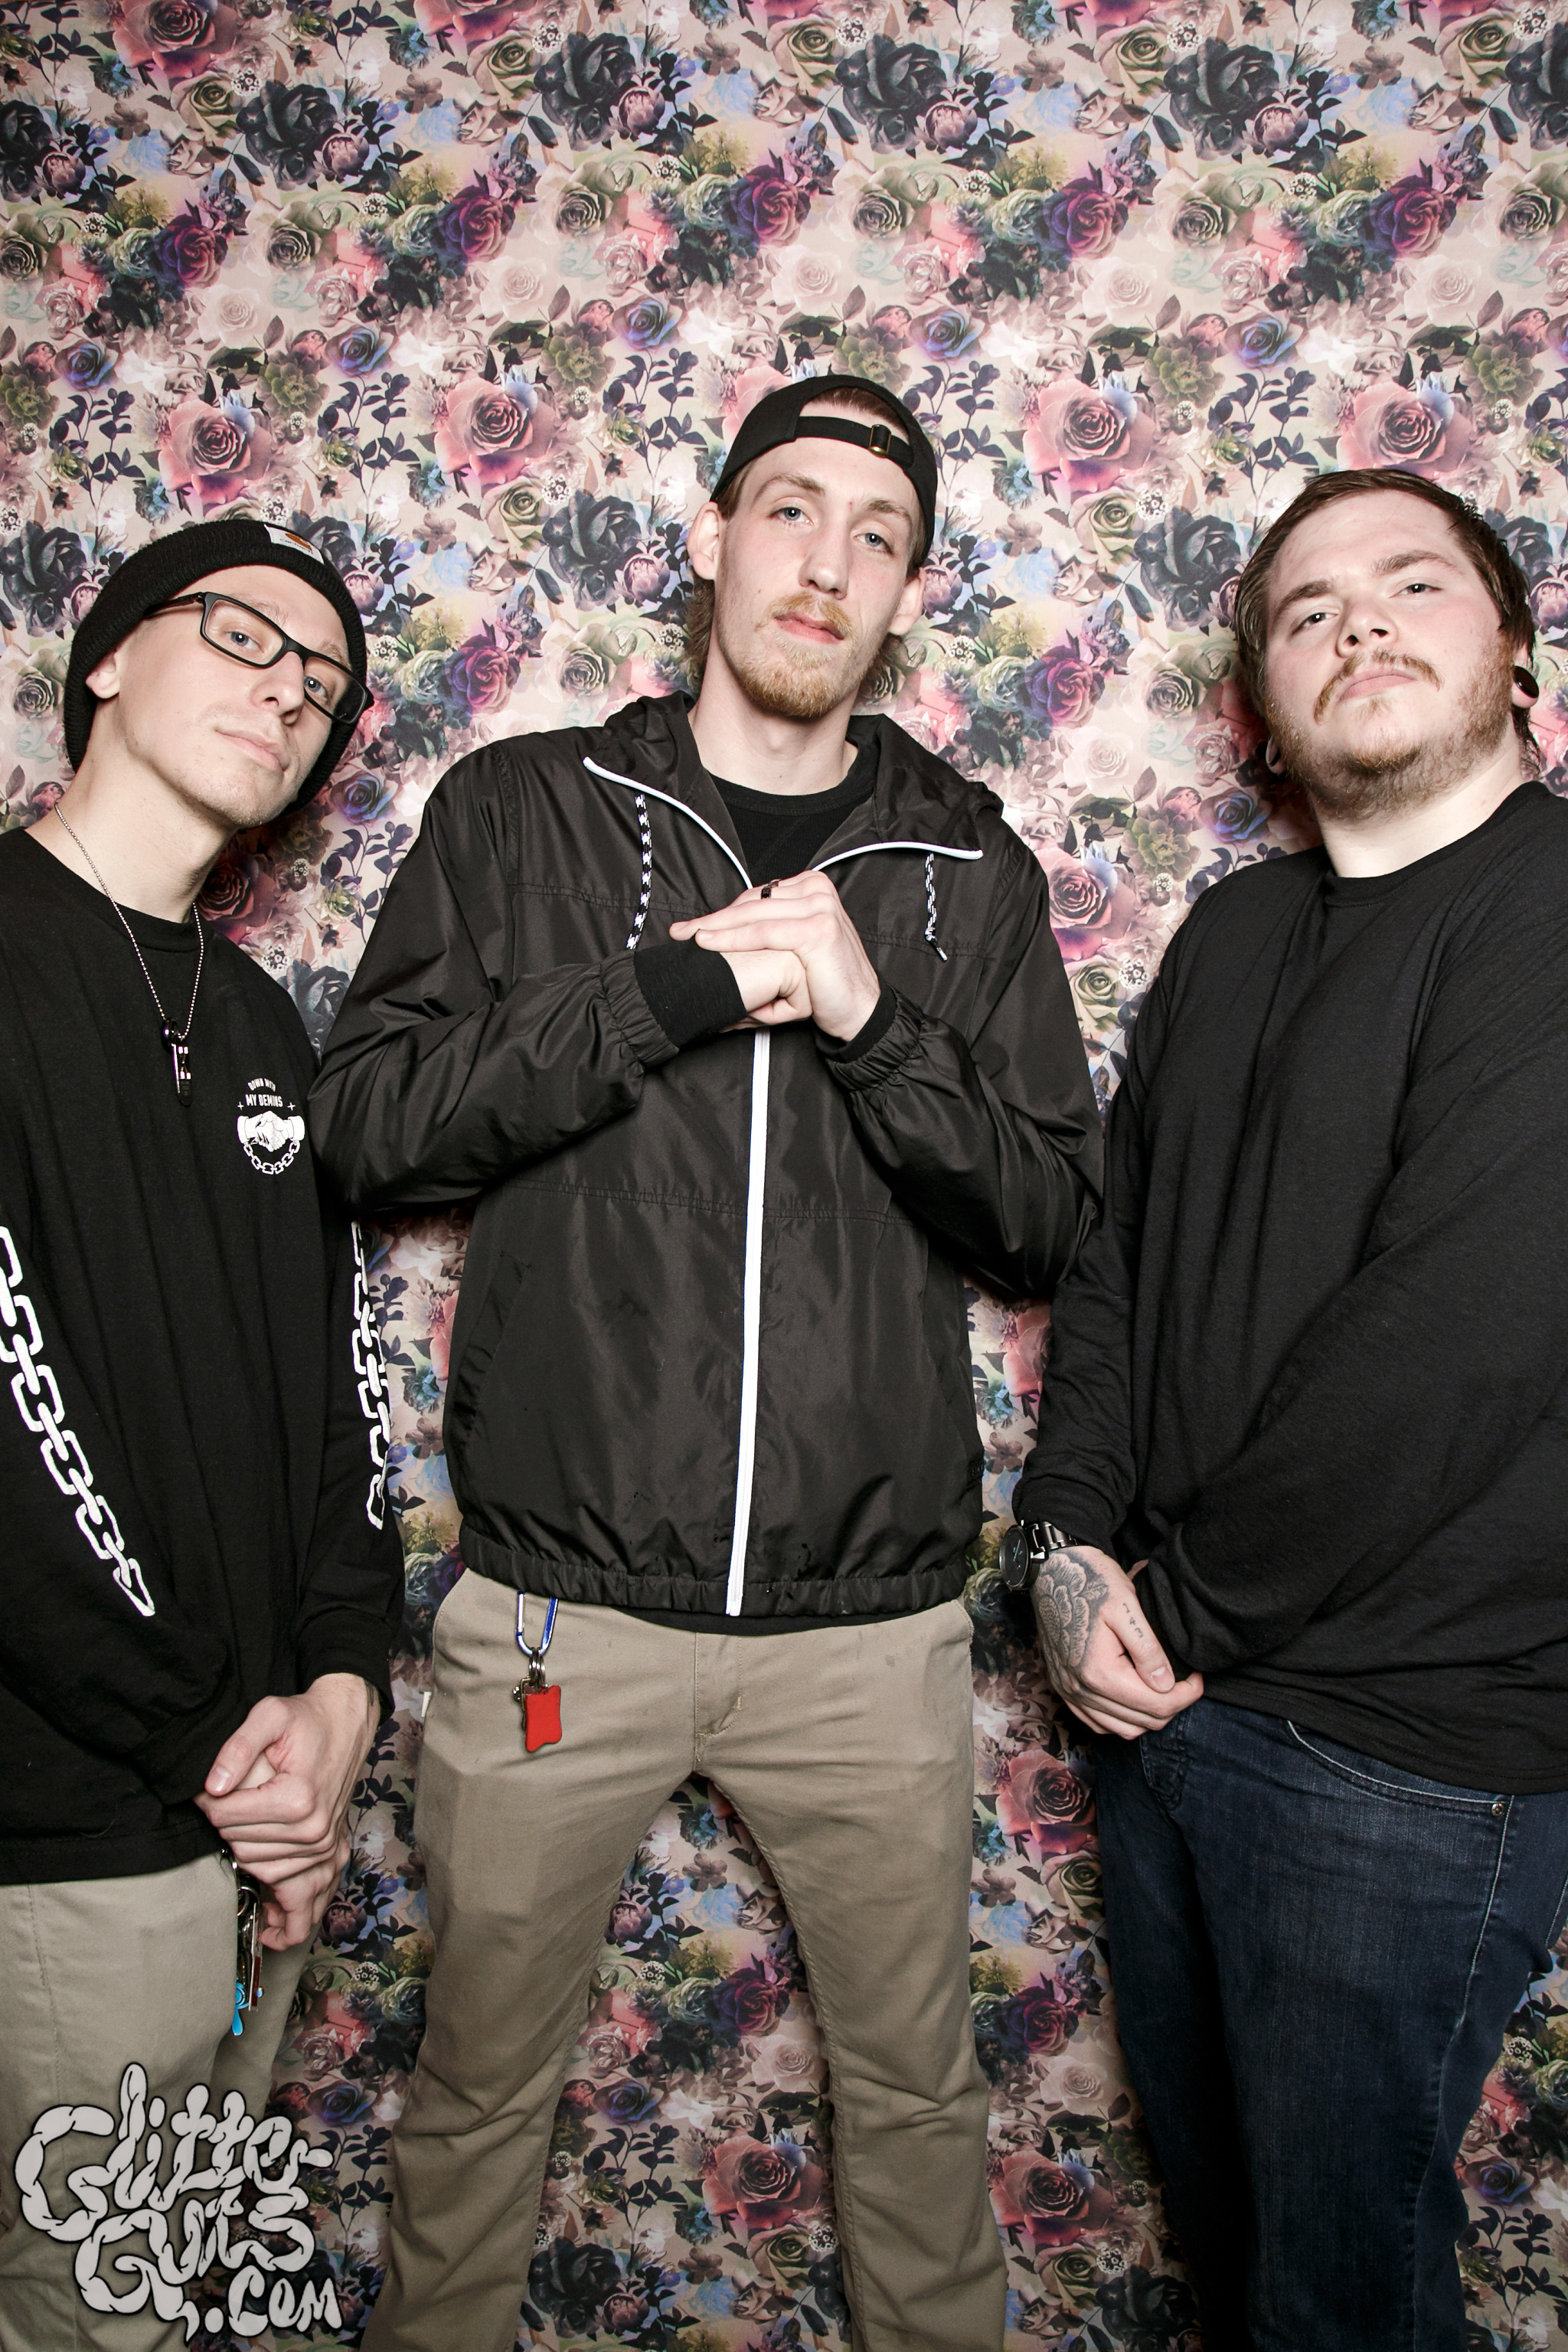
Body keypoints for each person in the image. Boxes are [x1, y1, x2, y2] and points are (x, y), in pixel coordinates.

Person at [309, 374, 1102, 2352]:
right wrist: (665, 990)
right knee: (477, 2092)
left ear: (911, 593)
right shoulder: (525, 810)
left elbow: (1048, 1217)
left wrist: (868, 1020)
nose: (827, 563)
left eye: (877, 536)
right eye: (792, 510)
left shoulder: (967, 867)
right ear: (711, 536)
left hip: (869, 1637)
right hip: (558, 1618)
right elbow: (373, 1127)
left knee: (918, 2102)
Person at [1009, 466, 1568, 2352]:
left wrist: (1165, 1609)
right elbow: (1117, 1270)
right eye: (1309, 610)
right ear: (1257, 705)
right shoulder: (1229, 937)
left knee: (1339, 2302)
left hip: (1400, 1752)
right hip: (1162, 1701)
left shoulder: (1546, 909)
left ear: (1517, 658)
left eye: (1414, 584)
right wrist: (1064, 1553)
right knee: (1234, 2257)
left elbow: (1462, 1340)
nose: (1361, 625)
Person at [0, 518, 405, 2352]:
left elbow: (331, 1396)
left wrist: (340, 1696)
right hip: (74, 1821)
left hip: (257, 1821)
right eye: (244, 635)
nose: (287, 689)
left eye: (320, 680)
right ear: (106, 655)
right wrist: (211, 1747)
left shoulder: (258, 1022)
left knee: (165, 2303)